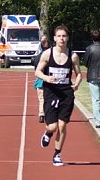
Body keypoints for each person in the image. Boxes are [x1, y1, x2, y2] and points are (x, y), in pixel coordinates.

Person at [35, 25, 82, 167]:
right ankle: (48, 133)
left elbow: (79, 73)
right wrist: (46, 78)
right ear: (54, 38)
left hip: (66, 93)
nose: (62, 38)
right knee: (53, 126)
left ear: (67, 38)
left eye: (64, 36)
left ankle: (57, 154)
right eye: (59, 36)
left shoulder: (72, 55)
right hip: (51, 92)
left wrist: (77, 85)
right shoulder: (47, 54)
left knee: (62, 126)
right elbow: (37, 71)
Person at [32, 35, 51, 123]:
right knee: (49, 98)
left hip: (41, 80)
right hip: (50, 80)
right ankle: (48, 114)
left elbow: (36, 70)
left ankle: (41, 114)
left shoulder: (37, 57)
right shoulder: (53, 56)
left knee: (41, 99)